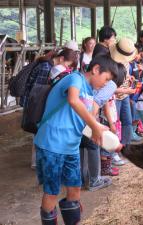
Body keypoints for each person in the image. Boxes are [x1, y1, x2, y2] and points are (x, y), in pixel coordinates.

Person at [34, 55, 118, 225]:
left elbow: (78, 118)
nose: (106, 84)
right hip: (52, 143)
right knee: (52, 191)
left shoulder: (90, 91)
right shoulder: (75, 78)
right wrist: (94, 125)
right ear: (95, 70)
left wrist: (97, 130)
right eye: (106, 79)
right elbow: (72, 100)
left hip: (71, 146)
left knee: (75, 189)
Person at [80, 63, 125, 190]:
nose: (106, 83)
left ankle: (80, 179)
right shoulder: (111, 85)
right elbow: (95, 104)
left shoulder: (82, 77)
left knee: (80, 147)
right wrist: (93, 126)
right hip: (87, 119)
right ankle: (94, 180)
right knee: (93, 145)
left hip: (78, 118)